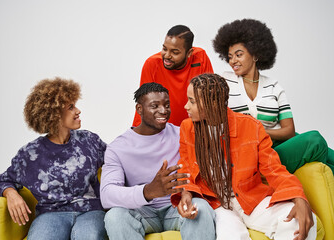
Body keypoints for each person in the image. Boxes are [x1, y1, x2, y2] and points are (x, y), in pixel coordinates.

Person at [172, 73, 316, 240]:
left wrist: (299, 197)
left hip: (251, 199)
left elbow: (274, 169)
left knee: (296, 222)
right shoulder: (187, 128)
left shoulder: (250, 126)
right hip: (218, 204)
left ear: (213, 103)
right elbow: (186, 166)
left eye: (192, 101)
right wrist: (186, 193)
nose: (186, 106)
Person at [212, 18, 334, 174]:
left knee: (322, 152)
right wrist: (257, 132)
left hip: (277, 145)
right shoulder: (224, 81)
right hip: (253, 153)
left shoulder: (274, 86)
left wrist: (258, 130)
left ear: (255, 54)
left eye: (238, 55)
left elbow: (289, 131)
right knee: (314, 140)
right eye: (230, 57)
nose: (233, 61)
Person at [101, 82, 216, 240]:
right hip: (142, 212)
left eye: (167, 105)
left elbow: (201, 170)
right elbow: (107, 195)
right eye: (154, 106)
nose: (163, 111)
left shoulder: (182, 134)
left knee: (201, 208)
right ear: (139, 109)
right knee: (115, 216)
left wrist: (186, 192)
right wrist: (148, 191)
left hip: (177, 207)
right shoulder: (118, 148)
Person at [0, 78, 107, 240]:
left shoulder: (89, 140)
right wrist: (11, 194)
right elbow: (4, 181)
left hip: (90, 211)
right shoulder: (31, 154)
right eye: (71, 107)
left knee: (90, 237)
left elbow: (117, 162)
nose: (78, 111)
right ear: (54, 115)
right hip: (51, 215)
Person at [132, 25, 214, 127]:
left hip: (195, 128)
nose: (167, 55)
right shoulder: (152, 64)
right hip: (163, 131)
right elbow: (145, 104)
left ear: (189, 53)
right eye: (164, 49)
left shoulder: (200, 57)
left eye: (175, 52)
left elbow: (210, 99)